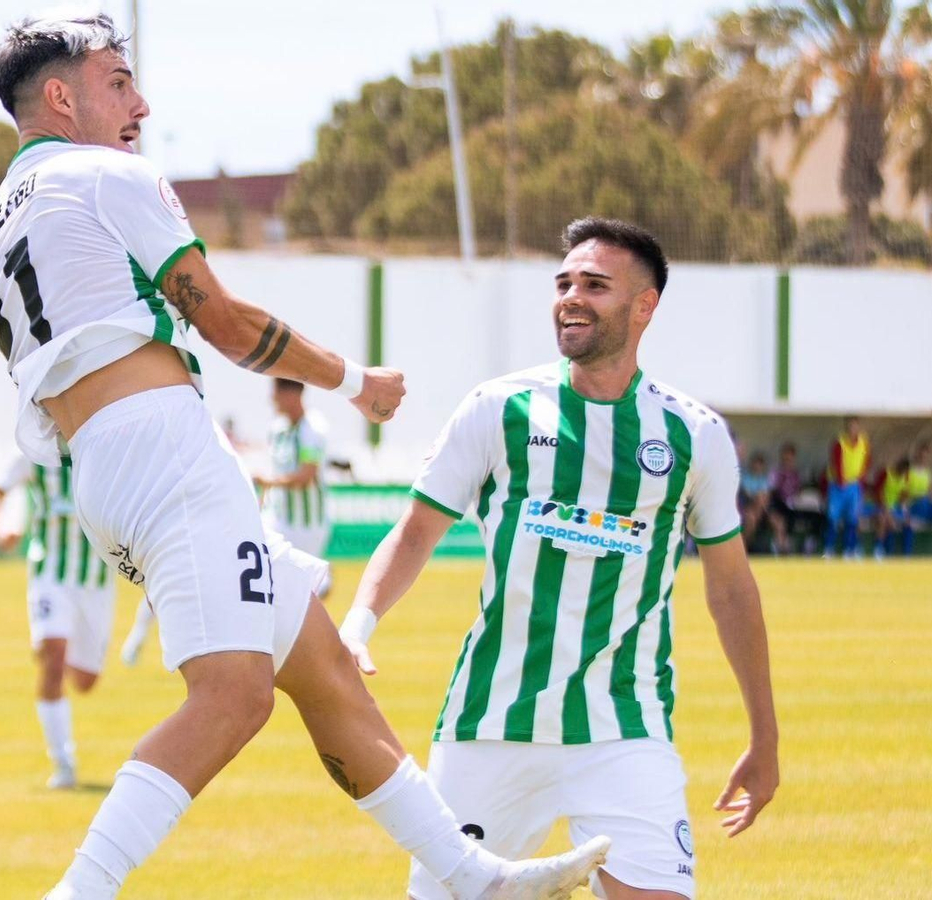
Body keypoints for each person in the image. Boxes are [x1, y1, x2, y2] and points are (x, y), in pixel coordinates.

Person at [0, 15, 606, 898]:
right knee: (233, 698)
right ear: (60, 95)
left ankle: (471, 875)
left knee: (327, 675)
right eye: (119, 81)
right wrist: (356, 382)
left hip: (104, 468)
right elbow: (226, 325)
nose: (141, 104)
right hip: (162, 450)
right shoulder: (106, 174)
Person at [342, 218, 780, 900]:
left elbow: (730, 588)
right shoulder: (499, 408)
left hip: (624, 727)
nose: (571, 297)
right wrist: (360, 622)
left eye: (595, 286)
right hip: (491, 724)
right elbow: (415, 531)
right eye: (564, 283)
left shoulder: (694, 435)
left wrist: (765, 735)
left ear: (644, 307)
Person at [0, 451, 116, 789]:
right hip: (49, 573)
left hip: (96, 580)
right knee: (54, 661)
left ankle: (51, 644)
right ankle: (64, 764)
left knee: (85, 681)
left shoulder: (102, 446)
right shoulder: (32, 452)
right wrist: (0, 528)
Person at [256, 378, 333, 593]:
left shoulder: (313, 428)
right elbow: (273, 470)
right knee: (267, 574)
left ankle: (322, 580)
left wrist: (268, 481)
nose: (272, 399)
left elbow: (307, 475)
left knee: (298, 592)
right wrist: (260, 505)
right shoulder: (277, 429)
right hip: (277, 518)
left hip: (307, 524)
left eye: (277, 393)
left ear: (292, 395)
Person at [823, 416, 870, 559]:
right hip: (838, 485)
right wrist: (841, 480)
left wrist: (861, 480)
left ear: (858, 427)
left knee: (853, 519)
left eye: (855, 426)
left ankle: (849, 549)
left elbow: (866, 461)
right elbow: (836, 462)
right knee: (832, 518)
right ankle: (828, 549)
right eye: (849, 426)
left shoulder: (864, 442)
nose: (852, 429)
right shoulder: (839, 442)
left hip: (854, 486)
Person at [739, 452, 786, 554]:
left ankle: (781, 550)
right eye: (756, 464)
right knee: (751, 519)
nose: (758, 466)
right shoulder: (746, 478)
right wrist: (759, 499)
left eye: (760, 464)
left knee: (779, 522)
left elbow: (768, 496)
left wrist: (761, 501)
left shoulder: (765, 479)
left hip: (765, 510)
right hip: (750, 507)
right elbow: (748, 495)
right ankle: (743, 549)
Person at [767, 443, 804, 555]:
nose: (787, 460)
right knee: (779, 523)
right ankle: (780, 549)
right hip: (777, 505)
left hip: (792, 508)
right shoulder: (775, 472)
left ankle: (787, 548)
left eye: (790, 457)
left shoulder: (796, 475)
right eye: (785, 457)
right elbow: (771, 491)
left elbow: (798, 492)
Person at [875, 456, 914, 558]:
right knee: (885, 521)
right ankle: (880, 549)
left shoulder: (906, 477)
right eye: (901, 470)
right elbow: (877, 492)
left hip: (895, 507)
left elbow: (904, 496)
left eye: (905, 471)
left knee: (908, 522)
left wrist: (904, 509)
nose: (902, 473)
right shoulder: (885, 473)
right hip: (881, 505)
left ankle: (907, 554)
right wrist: (886, 508)